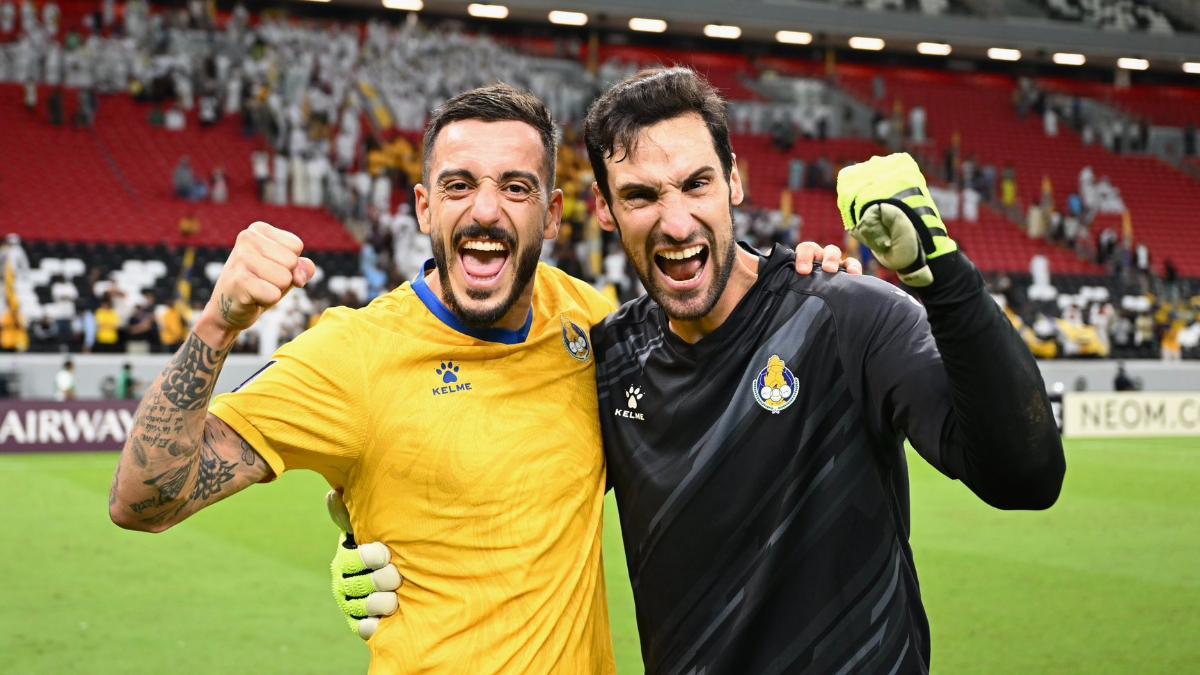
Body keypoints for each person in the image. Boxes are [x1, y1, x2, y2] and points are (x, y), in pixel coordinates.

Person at [108, 83, 858, 672]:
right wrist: (217, 324)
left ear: (555, 212)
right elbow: (145, 500)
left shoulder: (593, 326)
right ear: (423, 206)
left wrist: (805, 278)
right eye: (459, 185)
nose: (487, 209)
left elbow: (718, 372)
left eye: (517, 186)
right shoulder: (352, 354)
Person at [581, 68, 1063, 674]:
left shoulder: (848, 315)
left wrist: (942, 276)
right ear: (603, 207)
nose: (676, 223)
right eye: (641, 196)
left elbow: (1027, 479)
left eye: (696, 183)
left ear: (734, 180)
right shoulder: (610, 360)